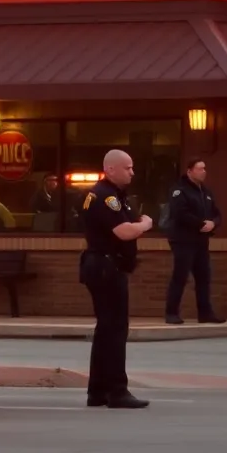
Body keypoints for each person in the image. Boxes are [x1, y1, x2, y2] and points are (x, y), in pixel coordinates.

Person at [79, 149, 155, 409]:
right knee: (114, 329)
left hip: (106, 266)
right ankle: (117, 390)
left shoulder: (116, 196)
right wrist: (146, 224)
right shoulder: (104, 196)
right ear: (110, 169)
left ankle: (97, 391)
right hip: (105, 267)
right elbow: (124, 231)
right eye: (127, 167)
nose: (132, 172)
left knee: (106, 329)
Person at [164, 159, 227, 325]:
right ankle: (171, 313)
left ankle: (205, 313)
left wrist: (213, 223)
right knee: (180, 276)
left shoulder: (205, 192)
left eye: (204, 168)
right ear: (189, 171)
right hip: (183, 240)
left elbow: (217, 213)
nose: (203, 172)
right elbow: (180, 213)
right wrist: (201, 224)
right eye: (200, 169)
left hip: (201, 241)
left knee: (204, 277)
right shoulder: (180, 191)